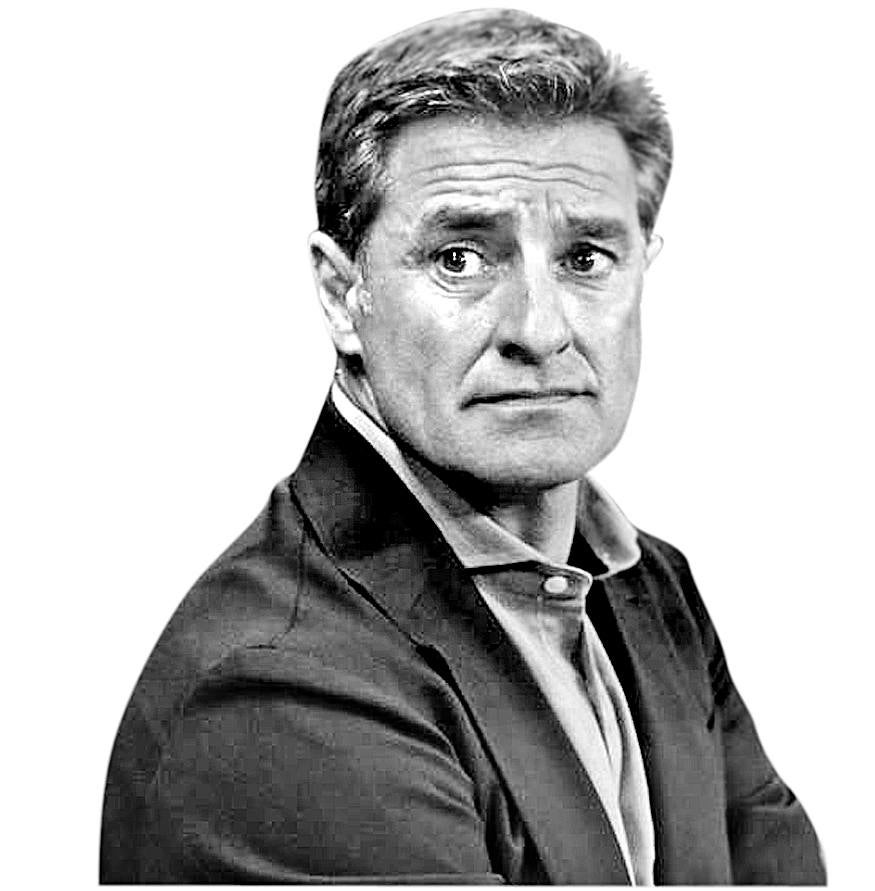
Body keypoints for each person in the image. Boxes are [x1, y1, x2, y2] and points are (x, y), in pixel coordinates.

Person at [100, 9, 825, 885]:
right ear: (340, 294)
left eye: (586, 258)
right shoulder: (279, 684)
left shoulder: (650, 586)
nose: (540, 330)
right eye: (460, 258)